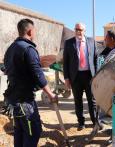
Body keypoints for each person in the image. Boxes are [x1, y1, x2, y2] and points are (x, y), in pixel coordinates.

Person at [3, 18, 58, 147]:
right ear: (29, 31)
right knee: (33, 131)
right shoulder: (28, 49)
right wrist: (51, 94)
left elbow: (8, 70)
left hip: (14, 99)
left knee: (20, 132)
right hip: (24, 101)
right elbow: (38, 74)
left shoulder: (10, 49)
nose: (35, 34)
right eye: (34, 31)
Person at [63, 23, 99, 130]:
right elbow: (66, 62)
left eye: (80, 29)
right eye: (76, 29)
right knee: (78, 101)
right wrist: (66, 78)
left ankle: (94, 122)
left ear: (84, 30)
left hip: (89, 76)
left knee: (92, 101)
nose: (78, 31)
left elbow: (96, 59)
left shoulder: (91, 41)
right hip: (76, 76)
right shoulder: (69, 43)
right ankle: (81, 123)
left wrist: (96, 75)